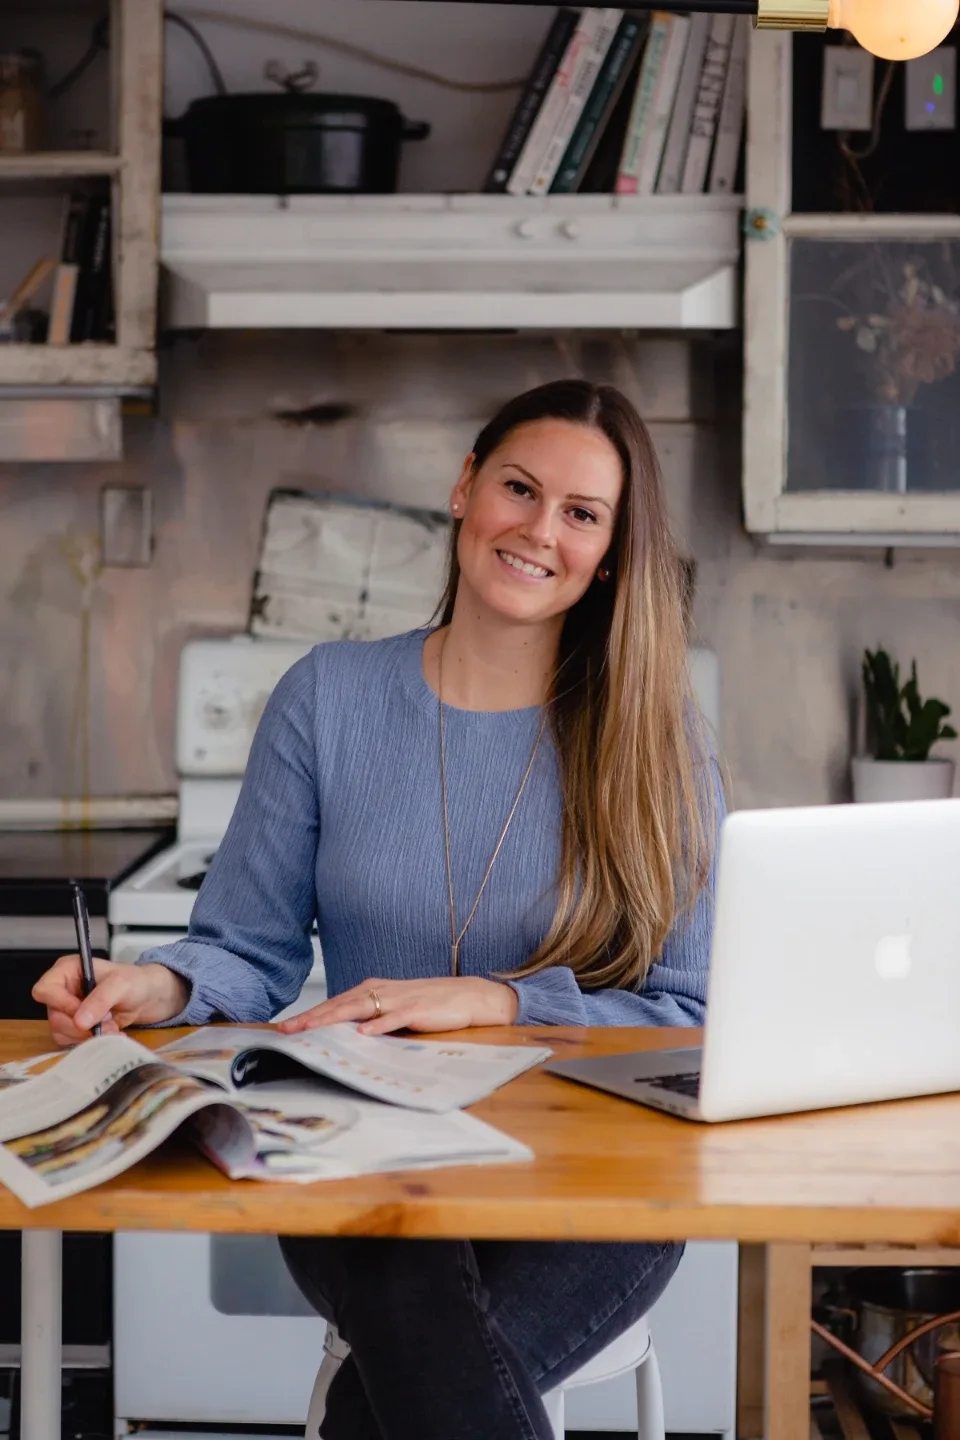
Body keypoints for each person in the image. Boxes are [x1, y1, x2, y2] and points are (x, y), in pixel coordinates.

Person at [34, 378, 725, 1440]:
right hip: (360, 1153)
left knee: (389, 1398)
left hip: (595, 1177)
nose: (541, 530)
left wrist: (500, 1003)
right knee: (414, 1309)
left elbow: (691, 1015)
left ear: (613, 550)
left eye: (582, 514)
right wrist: (154, 981)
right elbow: (243, 949)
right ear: (463, 489)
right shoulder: (329, 698)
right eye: (520, 489)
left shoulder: (656, 740)